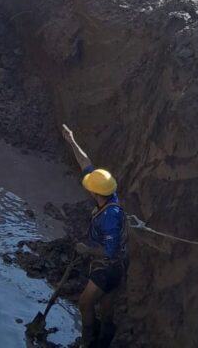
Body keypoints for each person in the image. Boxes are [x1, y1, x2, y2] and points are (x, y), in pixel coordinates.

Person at [61, 124, 128, 348]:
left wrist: (86, 249)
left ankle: (88, 343)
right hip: (117, 267)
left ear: (94, 192)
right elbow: (86, 164)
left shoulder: (109, 217)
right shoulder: (109, 194)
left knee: (85, 304)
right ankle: (106, 338)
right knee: (107, 306)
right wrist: (72, 140)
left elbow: (110, 251)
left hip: (108, 267)